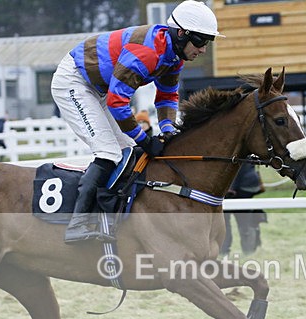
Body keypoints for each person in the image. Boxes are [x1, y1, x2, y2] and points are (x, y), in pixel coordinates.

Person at [51, 0, 223, 243]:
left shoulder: (174, 56)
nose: (204, 49)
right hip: (75, 82)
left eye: (208, 42)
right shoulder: (147, 52)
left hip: (99, 88)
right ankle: (77, 223)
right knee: (109, 152)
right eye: (201, 41)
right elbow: (117, 103)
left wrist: (167, 130)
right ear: (182, 34)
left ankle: (109, 213)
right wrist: (144, 139)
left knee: (127, 152)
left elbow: (166, 96)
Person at [220, 162, 266, 256]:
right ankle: (227, 252)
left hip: (240, 187)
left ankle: (227, 252)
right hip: (244, 185)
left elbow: (239, 165)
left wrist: (231, 187)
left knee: (230, 223)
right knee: (236, 223)